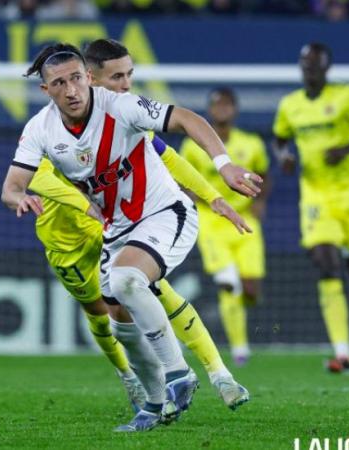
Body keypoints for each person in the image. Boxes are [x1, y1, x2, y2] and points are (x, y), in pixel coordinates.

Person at [2, 43, 261, 432]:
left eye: (76, 78)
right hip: (116, 230)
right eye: (60, 83)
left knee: (127, 281)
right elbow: (11, 186)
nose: (71, 90)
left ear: (88, 77)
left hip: (163, 213)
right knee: (118, 313)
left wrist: (222, 169)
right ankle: (154, 403)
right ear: (47, 90)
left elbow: (187, 120)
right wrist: (19, 197)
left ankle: (183, 375)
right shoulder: (41, 129)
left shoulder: (121, 107)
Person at [83, 38, 250, 405]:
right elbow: (38, 179)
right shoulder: (56, 131)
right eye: (116, 77)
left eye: (129, 75)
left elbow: (172, 153)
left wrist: (215, 194)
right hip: (112, 230)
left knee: (141, 287)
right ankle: (163, 393)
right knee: (118, 314)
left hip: (154, 219)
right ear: (91, 80)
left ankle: (204, 375)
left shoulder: (129, 111)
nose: (126, 84)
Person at [273, 42, 349, 374]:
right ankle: (344, 355)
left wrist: (348, 148)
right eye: (305, 64)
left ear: (326, 67)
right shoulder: (290, 105)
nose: (310, 70)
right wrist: (285, 158)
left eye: (315, 64)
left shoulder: (347, 96)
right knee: (326, 263)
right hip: (316, 196)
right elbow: (279, 139)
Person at [181, 87, 270, 366]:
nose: (221, 109)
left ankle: (241, 330)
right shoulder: (193, 146)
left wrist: (260, 201)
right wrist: (191, 195)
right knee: (229, 284)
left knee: (250, 290)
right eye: (216, 105)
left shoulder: (251, 143)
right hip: (212, 220)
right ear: (210, 110)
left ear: (234, 110)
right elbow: (183, 178)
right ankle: (240, 349)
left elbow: (263, 174)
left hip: (245, 220)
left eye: (226, 105)